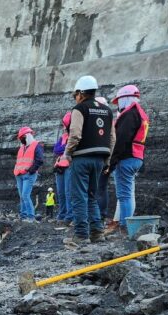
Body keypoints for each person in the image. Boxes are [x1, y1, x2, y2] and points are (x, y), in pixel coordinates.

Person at [63, 76, 116, 246]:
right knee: (92, 196)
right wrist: (108, 159)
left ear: (81, 93)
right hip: (100, 159)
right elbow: (112, 138)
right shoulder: (107, 110)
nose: (75, 97)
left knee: (78, 197)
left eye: (75, 94)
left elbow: (75, 134)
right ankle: (97, 232)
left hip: (82, 158)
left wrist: (67, 153)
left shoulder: (79, 109)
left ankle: (81, 235)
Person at [108, 84, 150, 233]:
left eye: (119, 101)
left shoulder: (129, 115)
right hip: (137, 158)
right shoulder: (141, 114)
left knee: (124, 195)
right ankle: (128, 226)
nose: (118, 104)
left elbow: (121, 140)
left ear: (124, 98)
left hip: (126, 159)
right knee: (129, 194)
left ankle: (126, 227)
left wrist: (111, 162)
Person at [13, 126, 44, 222]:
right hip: (19, 174)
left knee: (25, 195)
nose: (21, 140)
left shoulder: (36, 145)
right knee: (22, 196)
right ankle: (23, 216)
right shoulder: (22, 147)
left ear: (27, 136)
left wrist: (31, 170)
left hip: (28, 175)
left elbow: (39, 160)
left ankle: (31, 217)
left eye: (22, 138)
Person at [94, 96, 112, 221]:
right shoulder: (106, 120)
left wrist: (108, 162)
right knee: (99, 188)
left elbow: (112, 142)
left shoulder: (106, 122)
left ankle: (101, 215)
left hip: (102, 159)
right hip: (99, 159)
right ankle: (99, 214)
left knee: (100, 188)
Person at [53, 112, 72, 223]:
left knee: (68, 192)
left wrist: (63, 148)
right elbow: (56, 149)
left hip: (69, 166)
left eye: (65, 125)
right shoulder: (63, 137)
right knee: (61, 192)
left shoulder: (74, 135)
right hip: (60, 166)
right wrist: (65, 147)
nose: (64, 128)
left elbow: (64, 148)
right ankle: (62, 214)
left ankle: (69, 215)